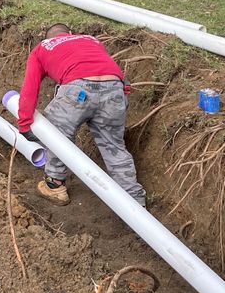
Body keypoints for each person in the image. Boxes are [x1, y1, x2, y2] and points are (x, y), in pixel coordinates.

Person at [15, 24, 146, 206]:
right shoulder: (90, 40)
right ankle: (135, 201)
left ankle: (55, 185)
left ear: (47, 38)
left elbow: (30, 88)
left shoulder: (42, 47)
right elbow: (105, 65)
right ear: (70, 34)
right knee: (114, 147)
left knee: (56, 133)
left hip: (77, 90)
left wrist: (24, 123)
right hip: (115, 89)